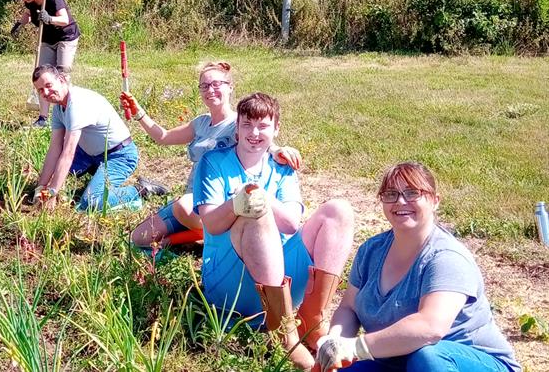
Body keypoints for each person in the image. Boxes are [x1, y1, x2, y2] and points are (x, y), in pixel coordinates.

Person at [194, 93, 354, 370]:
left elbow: (291, 223)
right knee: (255, 212)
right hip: (230, 279)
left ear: (276, 129)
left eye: (263, 126)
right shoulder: (213, 163)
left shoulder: (282, 168)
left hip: (282, 277)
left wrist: (265, 197)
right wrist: (239, 201)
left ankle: (312, 319)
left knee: (338, 210)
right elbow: (211, 224)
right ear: (237, 128)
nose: (254, 133)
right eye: (247, 125)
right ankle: (286, 336)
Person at [314, 162, 521, 372]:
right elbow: (349, 308)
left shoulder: (447, 257)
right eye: (391, 194)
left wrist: (357, 347)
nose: (401, 201)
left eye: (412, 193)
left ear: (435, 201)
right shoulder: (371, 251)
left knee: (427, 358)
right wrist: (335, 343)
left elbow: (430, 327)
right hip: (395, 361)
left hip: (460, 362)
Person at [121, 62, 302, 248]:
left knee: (183, 205)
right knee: (139, 238)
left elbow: (260, 141)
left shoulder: (238, 124)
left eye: (217, 84)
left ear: (230, 87)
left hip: (221, 200)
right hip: (193, 196)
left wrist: (278, 150)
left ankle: (191, 238)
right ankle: (201, 235)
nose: (210, 90)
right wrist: (138, 112)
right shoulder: (201, 123)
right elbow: (163, 137)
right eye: (205, 86)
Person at [31, 64, 166, 212]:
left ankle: (141, 189)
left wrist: (52, 192)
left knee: (91, 201)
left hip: (118, 155)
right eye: (41, 90)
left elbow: (68, 153)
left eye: (49, 85)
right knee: (53, 176)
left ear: (62, 80)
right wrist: (41, 186)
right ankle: (96, 176)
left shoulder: (76, 103)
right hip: (89, 155)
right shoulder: (58, 107)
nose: (46, 92)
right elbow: (55, 148)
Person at [11, 0, 81, 128]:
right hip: (47, 40)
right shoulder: (30, 0)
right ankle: (43, 118)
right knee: (41, 75)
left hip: (66, 37)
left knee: (62, 74)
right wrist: (19, 25)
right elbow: (28, 14)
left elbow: (64, 20)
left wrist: (49, 19)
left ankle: (68, 113)